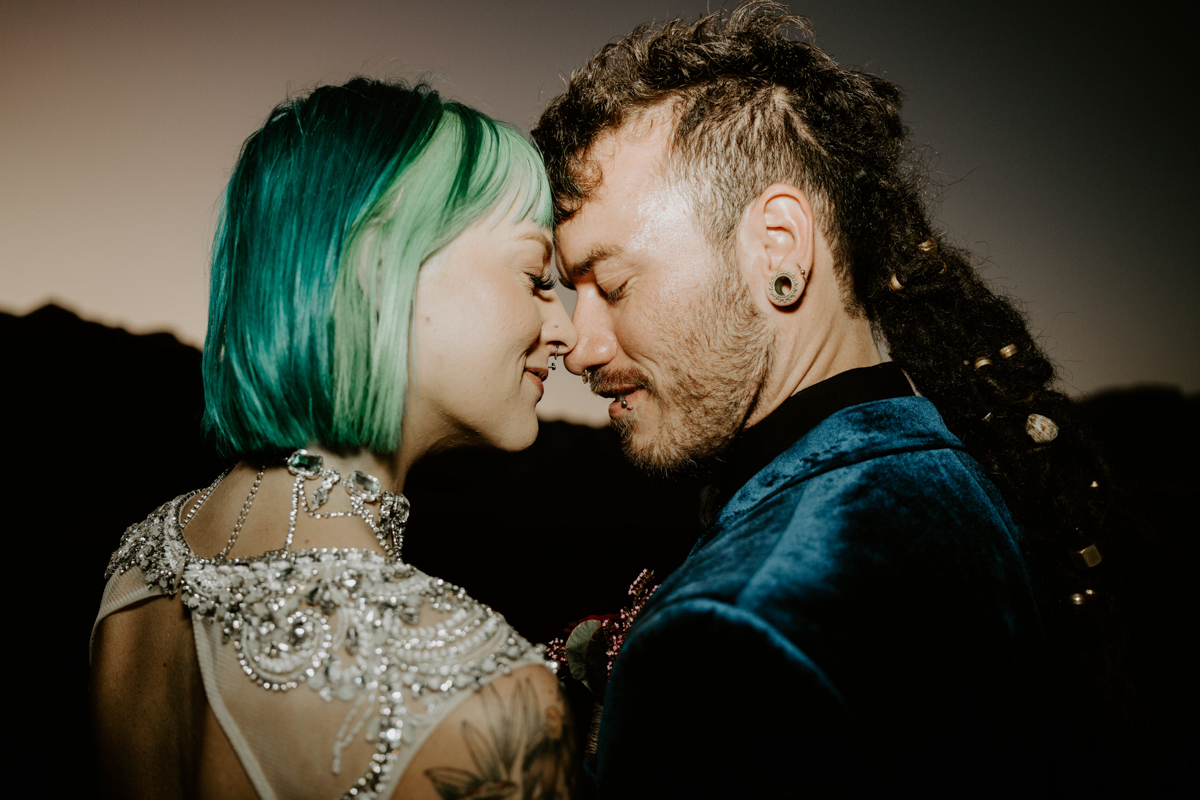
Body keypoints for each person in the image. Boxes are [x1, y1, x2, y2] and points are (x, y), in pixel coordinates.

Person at [533, 3, 1128, 797]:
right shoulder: (956, 472)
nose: (580, 345)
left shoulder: (736, 631)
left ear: (777, 248)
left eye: (610, 285)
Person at [90, 78, 579, 800]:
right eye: (536, 276)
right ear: (378, 266)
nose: (566, 330)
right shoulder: (480, 698)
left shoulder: (139, 567)